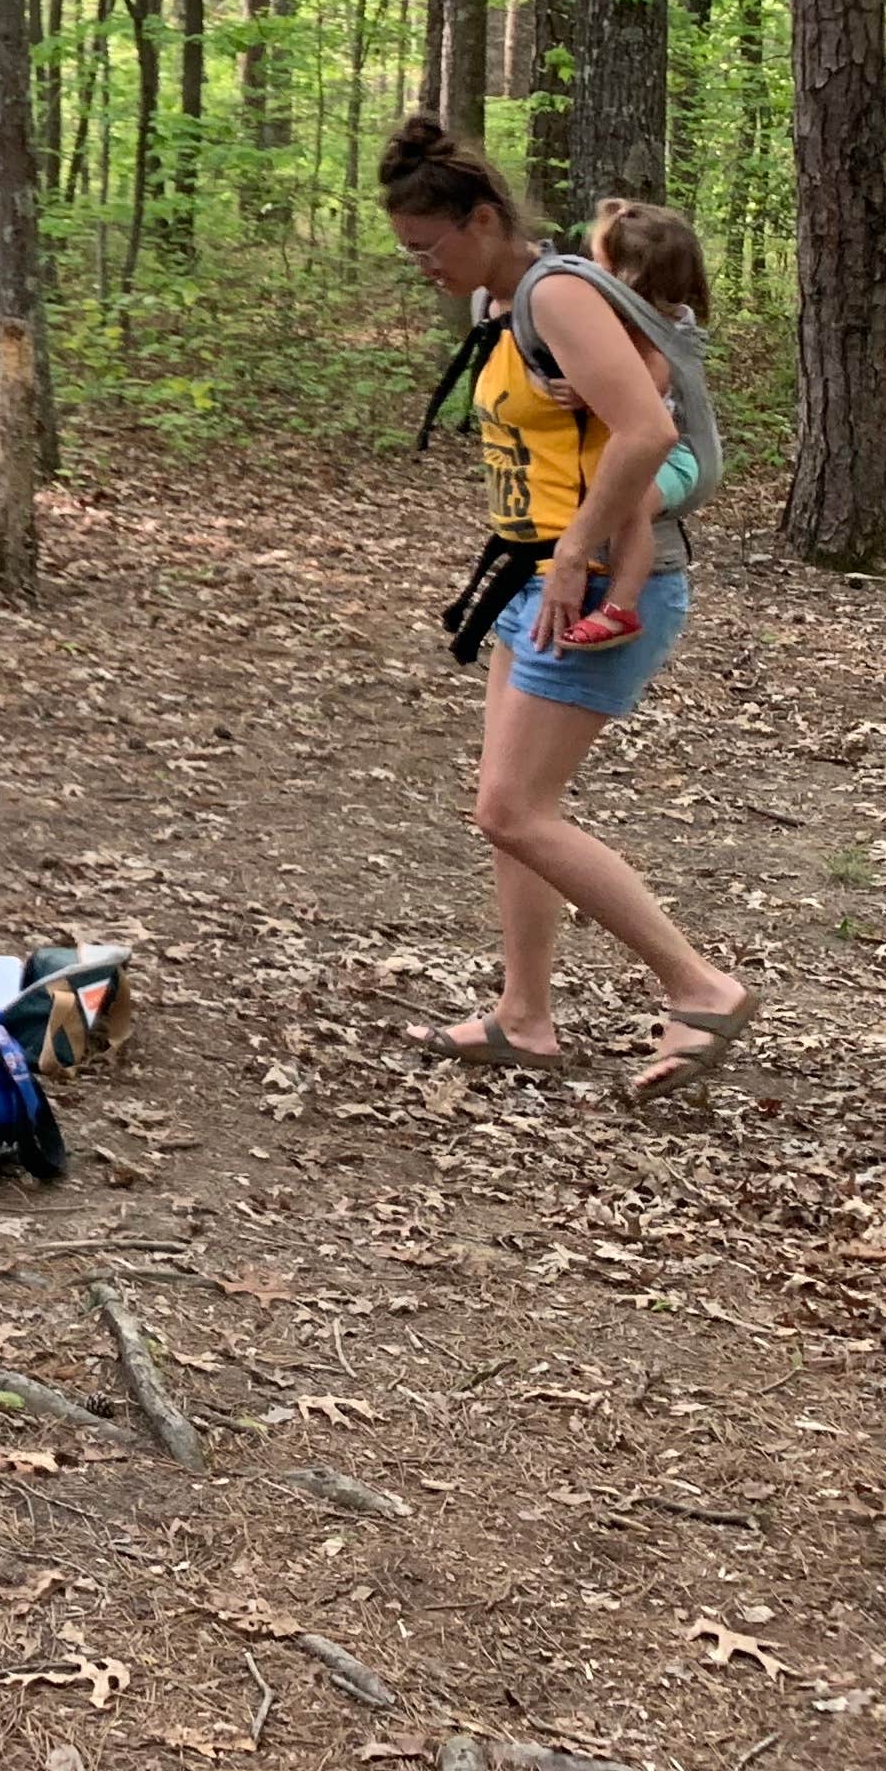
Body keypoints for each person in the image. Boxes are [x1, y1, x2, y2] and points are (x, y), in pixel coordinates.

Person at [378, 117, 758, 1099]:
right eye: (408, 250)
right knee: (511, 813)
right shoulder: (498, 304)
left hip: (592, 588)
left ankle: (699, 985)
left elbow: (642, 433)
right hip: (530, 576)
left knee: (511, 809)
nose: (422, 264)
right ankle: (524, 1016)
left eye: (431, 244)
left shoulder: (555, 293)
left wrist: (579, 553)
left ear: (486, 218)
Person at [552, 198, 711, 653]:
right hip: (647, 445)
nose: (589, 273)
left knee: (629, 502)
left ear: (631, 278)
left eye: (598, 264)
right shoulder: (626, 320)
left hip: (672, 454)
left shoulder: (658, 328)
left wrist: (586, 393)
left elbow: (649, 388)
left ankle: (621, 609)